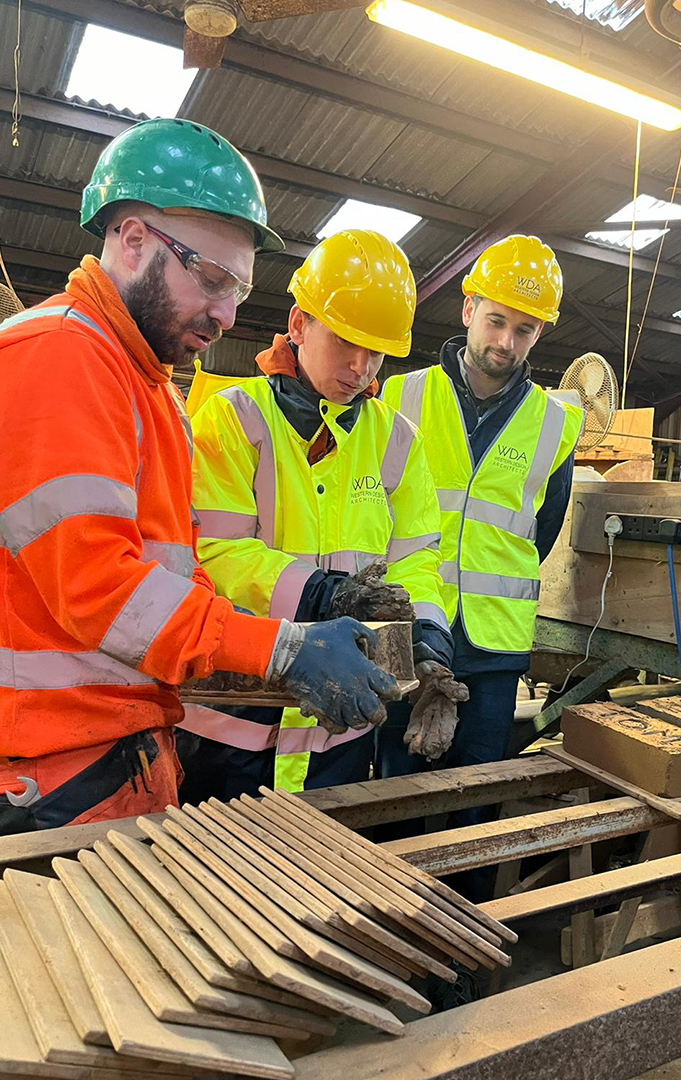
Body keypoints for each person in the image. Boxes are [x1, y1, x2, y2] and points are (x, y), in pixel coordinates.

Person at [0, 120, 397, 834]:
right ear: (132, 240)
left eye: (238, 290)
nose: (226, 314)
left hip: (112, 753)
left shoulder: (149, 384)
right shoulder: (58, 356)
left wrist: (266, 641)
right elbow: (100, 590)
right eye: (210, 280)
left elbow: (178, 577)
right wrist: (282, 649)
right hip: (52, 773)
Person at [175, 229, 462, 798]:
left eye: (375, 350)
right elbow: (214, 553)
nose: (360, 366)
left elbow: (416, 560)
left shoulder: (397, 440)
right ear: (300, 324)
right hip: (233, 722)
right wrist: (324, 596)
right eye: (345, 341)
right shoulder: (231, 419)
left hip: (339, 729)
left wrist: (429, 640)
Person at [377, 234, 584, 899]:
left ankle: (457, 935)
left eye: (524, 329)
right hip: (404, 631)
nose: (507, 339)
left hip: (494, 648)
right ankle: (388, 917)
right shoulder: (398, 398)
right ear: (467, 310)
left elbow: (542, 532)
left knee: (477, 797)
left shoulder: (555, 425)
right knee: (389, 788)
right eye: (497, 319)